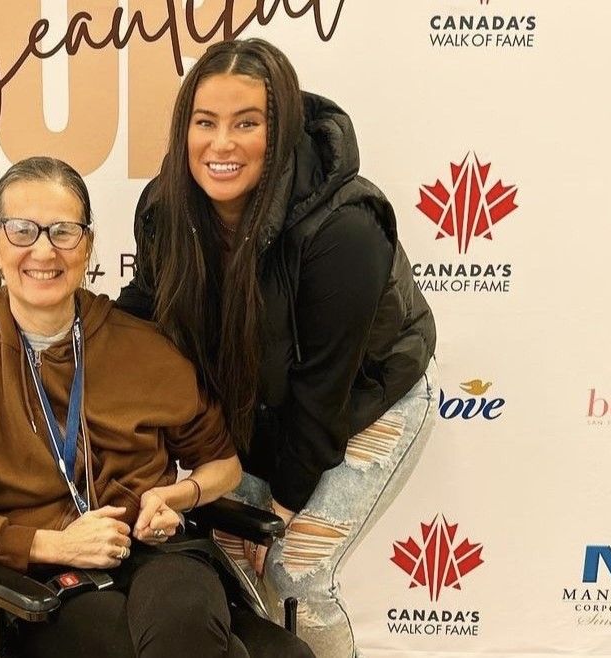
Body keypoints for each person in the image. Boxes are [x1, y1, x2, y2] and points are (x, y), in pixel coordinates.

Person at [0, 156, 312, 658]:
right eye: (21, 230)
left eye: (64, 231)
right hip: (42, 584)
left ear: (87, 246)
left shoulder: (144, 347)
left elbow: (223, 466)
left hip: (156, 551)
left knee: (240, 641)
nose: (43, 249)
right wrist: (51, 544)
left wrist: (179, 496)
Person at [117, 39, 438, 658]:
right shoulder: (165, 205)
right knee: (234, 566)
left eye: (247, 123)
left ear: (282, 127)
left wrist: (285, 504)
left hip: (366, 402)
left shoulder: (345, 228)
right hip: (257, 402)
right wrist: (66, 334)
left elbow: (326, 387)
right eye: (204, 123)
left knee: (294, 576)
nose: (221, 144)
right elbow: (148, 304)